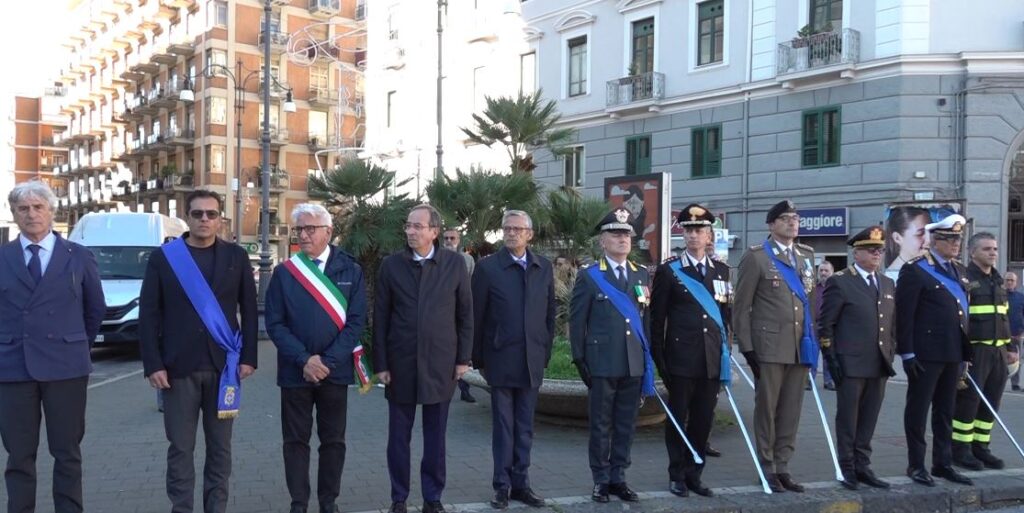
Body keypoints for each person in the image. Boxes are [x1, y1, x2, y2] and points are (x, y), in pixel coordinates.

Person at [140, 189, 259, 513]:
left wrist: (249, 358)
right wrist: (153, 364)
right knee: (180, 448)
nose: (204, 219)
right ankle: (181, 508)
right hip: (177, 369)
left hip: (225, 369)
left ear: (220, 219)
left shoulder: (236, 257)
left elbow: (249, 311)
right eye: (197, 214)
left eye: (211, 214)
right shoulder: (164, 258)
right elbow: (149, 314)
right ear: (187, 217)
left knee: (220, 449)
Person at [0, 181, 104, 513]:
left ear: (51, 211)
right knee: (19, 455)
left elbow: (94, 310)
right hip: (13, 368)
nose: (31, 214)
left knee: (67, 452)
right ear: (14, 214)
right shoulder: (3, 257)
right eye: (23, 208)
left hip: (66, 367)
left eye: (38, 207)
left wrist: (74, 344)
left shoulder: (79, 256)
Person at [265, 204, 367, 513]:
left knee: (333, 441)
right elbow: (275, 324)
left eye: (311, 229)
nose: (304, 235)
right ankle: (299, 503)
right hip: (295, 373)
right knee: (295, 441)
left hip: (334, 373)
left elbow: (356, 323)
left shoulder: (351, 270)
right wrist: (304, 360)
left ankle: (328, 501)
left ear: (328, 232)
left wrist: (327, 362)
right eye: (299, 229)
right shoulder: (284, 273)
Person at [372, 204, 473, 513]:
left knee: (435, 437)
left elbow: (465, 315)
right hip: (400, 364)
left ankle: (433, 497)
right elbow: (381, 317)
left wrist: (463, 359)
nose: (411, 231)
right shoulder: (391, 266)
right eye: (408, 225)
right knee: (398, 438)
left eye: (418, 226)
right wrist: (381, 364)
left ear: (434, 232)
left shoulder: (454, 264)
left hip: (441, 364)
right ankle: (399, 497)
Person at [471, 210, 554, 510]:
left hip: (532, 359)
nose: (511, 233)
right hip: (501, 358)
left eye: (518, 229)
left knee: (525, 426)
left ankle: (522, 484)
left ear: (529, 234)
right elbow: (477, 316)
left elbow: (549, 314)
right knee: (504, 428)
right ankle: (502, 486)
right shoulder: (487, 268)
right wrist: (478, 358)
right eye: (507, 228)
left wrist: (545, 351)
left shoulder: (543, 266)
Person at [569, 207, 652, 503]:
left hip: (632, 362)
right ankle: (601, 480)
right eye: (616, 234)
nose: (623, 239)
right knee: (601, 424)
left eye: (626, 234)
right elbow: (577, 322)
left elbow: (645, 319)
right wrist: (580, 360)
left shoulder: (641, 274)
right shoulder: (590, 276)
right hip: (602, 362)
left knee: (626, 424)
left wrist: (647, 359)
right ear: (603, 241)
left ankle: (619, 477)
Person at [734, 200, 816, 493]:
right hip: (768, 347)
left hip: (799, 346)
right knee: (767, 410)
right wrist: (747, 348)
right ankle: (766, 467)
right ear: (771, 224)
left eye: (795, 218)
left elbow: (808, 301)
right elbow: (741, 307)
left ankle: (783, 466)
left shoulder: (806, 255)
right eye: (785, 218)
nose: (792, 222)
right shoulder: (756, 257)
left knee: (791, 410)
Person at [650, 204, 730, 498]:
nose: (694, 235)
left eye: (699, 230)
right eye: (689, 230)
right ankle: (676, 475)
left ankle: (695, 473)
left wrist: (725, 354)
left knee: (702, 420)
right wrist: (660, 359)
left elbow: (726, 316)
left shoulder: (721, 271)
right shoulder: (669, 271)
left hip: (711, 359)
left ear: (709, 235)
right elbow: (656, 320)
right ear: (683, 235)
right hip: (681, 359)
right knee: (678, 419)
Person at [816, 226, 896, 491]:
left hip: (878, 362)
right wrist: (831, 358)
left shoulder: (886, 283)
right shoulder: (840, 281)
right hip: (850, 363)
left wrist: (891, 351)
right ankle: (847, 466)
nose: (876, 255)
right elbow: (826, 324)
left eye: (880, 251)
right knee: (848, 419)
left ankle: (863, 465)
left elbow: (891, 324)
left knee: (869, 418)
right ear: (856, 253)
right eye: (871, 250)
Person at [896, 214, 973, 487]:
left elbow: (962, 314)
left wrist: (965, 354)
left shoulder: (959, 270)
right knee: (918, 411)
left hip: (952, 352)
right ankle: (916, 464)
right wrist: (907, 353)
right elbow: (904, 315)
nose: (955, 244)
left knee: (945, 411)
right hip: (925, 354)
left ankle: (943, 463)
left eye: (958, 239)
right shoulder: (915, 270)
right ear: (935, 240)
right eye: (950, 239)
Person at [952, 233, 1016, 471]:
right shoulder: (964, 280)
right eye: (987, 249)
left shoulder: (997, 281)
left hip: (998, 351)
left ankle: (981, 447)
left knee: (991, 402)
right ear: (972, 252)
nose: (993, 253)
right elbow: (959, 320)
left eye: (995, 249)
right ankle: (960, 450)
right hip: (975, 351)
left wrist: (1010, 347)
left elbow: (1004, 316)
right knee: (968, 401)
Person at [443, 227, 477, 404]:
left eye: (452, 238)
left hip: (461, 310)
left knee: (463, 351)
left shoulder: (467, 260)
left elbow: (471, 284)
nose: (449, 241)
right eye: (446, 238)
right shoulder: (437, 258)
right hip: (443, 312)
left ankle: (465, 388)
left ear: (458, 240)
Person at [884, 206, 930, 282]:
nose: (929, 240)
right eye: (920, 234)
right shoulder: (890, 279)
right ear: (897, 238)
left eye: (931, 231)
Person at [814, 261, 836, 390]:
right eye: (821, 270)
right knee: (812, 354)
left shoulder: (837, 288)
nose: (823, 273)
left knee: (829, 355)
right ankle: (809, 380)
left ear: (832, 272)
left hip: (830, 327)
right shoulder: (813, 289)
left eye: (826, 271)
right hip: (815, 326)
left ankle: (829, 381)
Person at [1007, 272, 1024, 391]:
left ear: (1016, 282)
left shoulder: (1021, 297)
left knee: (1018, 360)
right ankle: (998, 381)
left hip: (1018, 334)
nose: (1009, 282)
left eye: (1012, 280)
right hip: (1002, 335)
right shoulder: (1000, 296)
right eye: (1007, 280)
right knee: (1001, 360)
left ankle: (1015, 383)